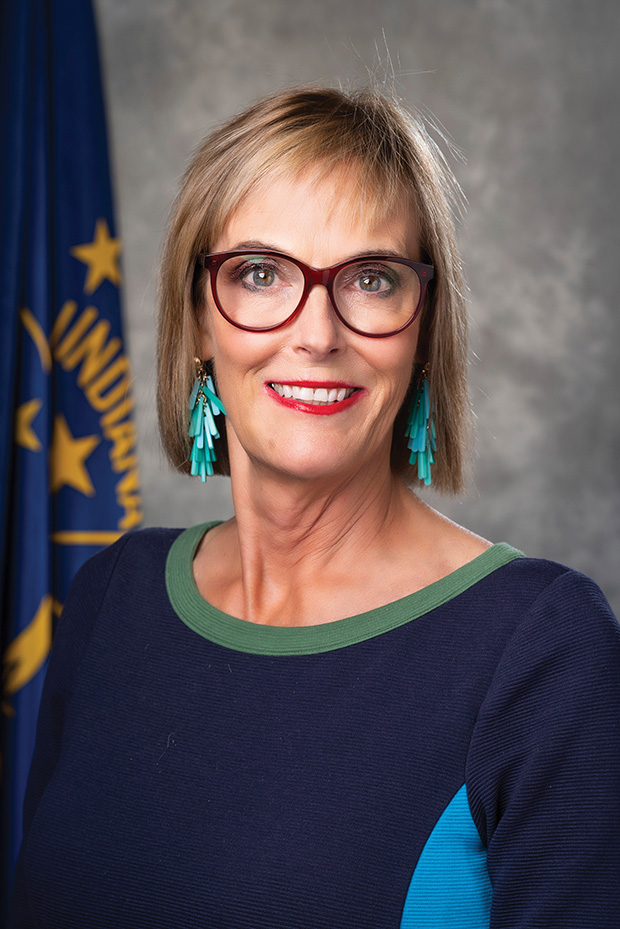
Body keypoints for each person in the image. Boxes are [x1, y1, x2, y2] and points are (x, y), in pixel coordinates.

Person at [10, 85, 620, 928]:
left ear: (424, 329)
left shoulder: (546, 650)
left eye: (372, 279)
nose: (318, 333)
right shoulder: (111, 596)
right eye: (260, 274)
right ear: (198, 320)